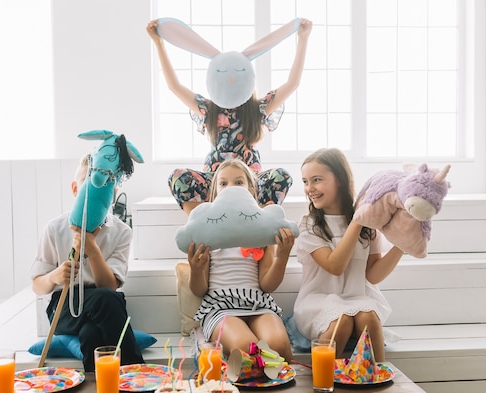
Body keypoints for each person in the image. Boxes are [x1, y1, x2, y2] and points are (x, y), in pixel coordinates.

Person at [147, 18, 313, 215]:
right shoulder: (208, 110)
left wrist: (303, 39)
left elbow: (292, 84)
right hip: (216, 182)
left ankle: (257, 222)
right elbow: (174, 86)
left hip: (250, 183)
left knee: (282, 176)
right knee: (177, 177)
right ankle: (203, 223)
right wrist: (158, 43)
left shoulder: (257, 109)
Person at [30, 154, 143, 371]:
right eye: (88, 183)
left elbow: (109, 285)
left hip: (105, 302)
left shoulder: (121, 232)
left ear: (113, 194)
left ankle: (99, 391)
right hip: (65, 307)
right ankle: (136, 371)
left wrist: (91, 248)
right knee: (106, 300)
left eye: (105, 185)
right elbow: (37, 284)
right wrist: (54, 276)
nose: (95, 191)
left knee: (91, 333)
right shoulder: (54, 228)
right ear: (75, 189)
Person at [293, 148, 404, 361]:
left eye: (316, 180)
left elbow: (373, 275)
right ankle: (324, 384)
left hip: (357, 296)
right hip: (318, 300)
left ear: (340, 180)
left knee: (370, 319)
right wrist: (357, 220)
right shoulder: (309, 225)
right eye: (306, 182)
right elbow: (335, 266)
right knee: (341, 321)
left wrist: (401, 245)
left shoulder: (367, 226)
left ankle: (376, 380)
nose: (310, 188)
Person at [188, 159, 295, 361]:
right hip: (220, 307)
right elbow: (199, 290)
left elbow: (267, 284)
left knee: (278, 346)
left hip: (258, 304)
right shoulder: (208, 232)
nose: (231, 189)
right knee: (246, 348)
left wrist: (282, 256)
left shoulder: (262, 233)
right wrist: (195, 269)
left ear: (251, 191)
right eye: (223, 183)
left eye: (238, 182)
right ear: (215, 193)